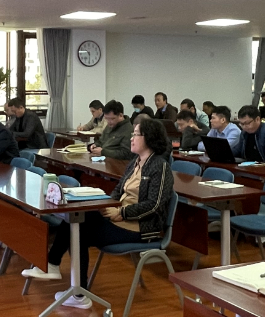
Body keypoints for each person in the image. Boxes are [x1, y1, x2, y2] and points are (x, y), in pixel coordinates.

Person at [21, 119, 175, 306]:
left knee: (79, 229)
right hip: (120, 217)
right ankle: (63, 276)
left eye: (136, 134)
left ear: (149, 138)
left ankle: (73, 287)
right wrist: (106, 205)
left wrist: (122, 212)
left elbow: (154, 205)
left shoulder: (160, 166)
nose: (131, 138)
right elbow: (118, 190)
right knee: (77, 220)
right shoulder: (135, 162)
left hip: (141, 227)